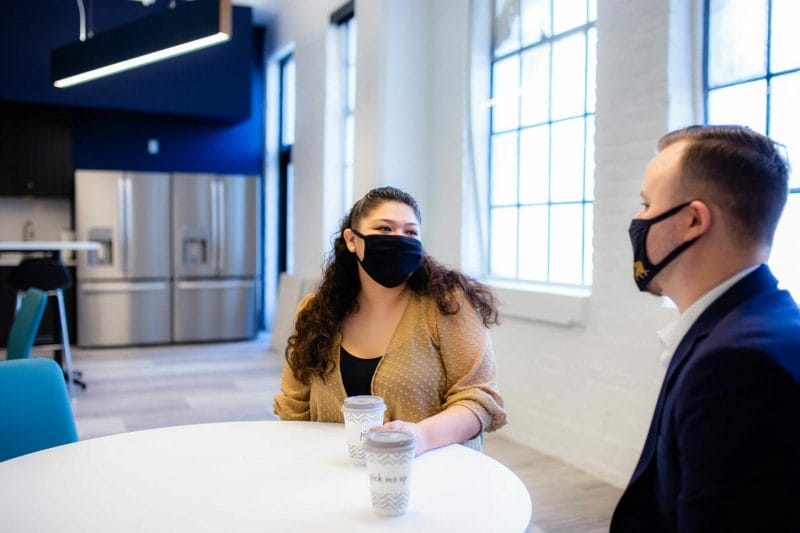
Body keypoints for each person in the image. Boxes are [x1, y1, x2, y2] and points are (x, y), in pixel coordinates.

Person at [611, 125, 800, 531]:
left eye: (646, 204)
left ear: (693, 220)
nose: (638, 220)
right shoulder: (760, 321)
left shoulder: (739, 366)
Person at [273, 186, 506, 455]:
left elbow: (479, 397)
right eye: (384, 229)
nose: (398, 239)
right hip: (335, 475)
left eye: (410, 232)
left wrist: (422, 436)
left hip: (429, 474)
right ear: (351, 240)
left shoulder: (449, 306)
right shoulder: (315, 312)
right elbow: (295, 405)